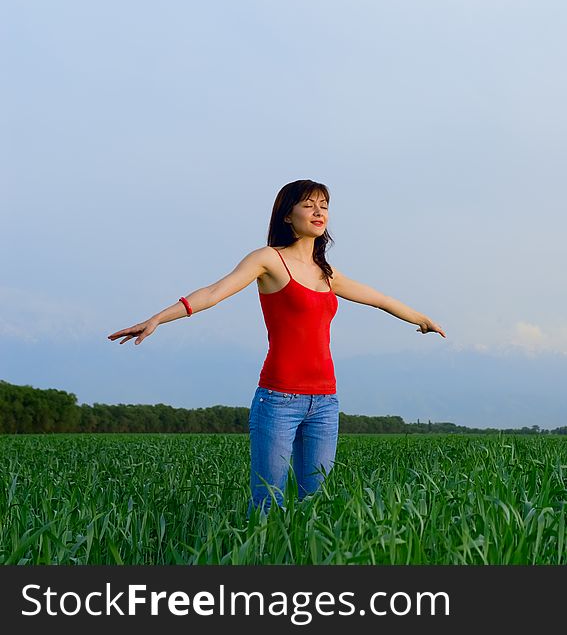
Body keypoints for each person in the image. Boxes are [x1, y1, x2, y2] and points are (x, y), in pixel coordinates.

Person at [107, 179, 446, 515]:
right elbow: (213, 292)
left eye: (324, 205)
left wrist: (421, 318)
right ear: (288, 214)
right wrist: (157, 318)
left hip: (325, 402)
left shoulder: (327, 274)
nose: (318, 211)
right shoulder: (268, 260)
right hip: (279, 399)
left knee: (316, 504)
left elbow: (380, 299)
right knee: (268, 504)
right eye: (308, 204)